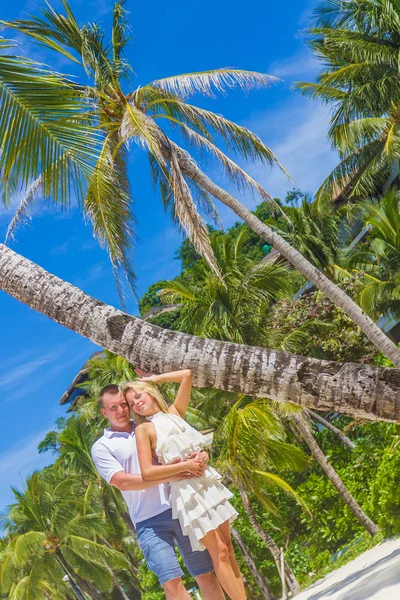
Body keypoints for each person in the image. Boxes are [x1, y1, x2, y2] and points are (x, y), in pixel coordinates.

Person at [121, 368, 246, 600]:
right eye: (131, 403)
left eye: (139, 396)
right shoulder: (143, 429)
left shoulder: (174, 414)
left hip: (207, 483)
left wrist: (154, 379)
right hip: (187, 492)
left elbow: (186, 375)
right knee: (218, 551)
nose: (136, 403)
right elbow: (148, 472)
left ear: (150, 392)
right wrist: (183, 467)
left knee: (228, 549)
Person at [91, 383, 224, 600]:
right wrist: (169, 475)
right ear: (104, 412)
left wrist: (202, 457)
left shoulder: (151, 424)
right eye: (113, 407)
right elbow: (122, 482)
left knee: (205, 574)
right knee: (171, 583)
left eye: (124, 405)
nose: (121, 411)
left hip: (181, 507)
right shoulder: (102, 446)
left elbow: (186, 445)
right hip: (148, 521)